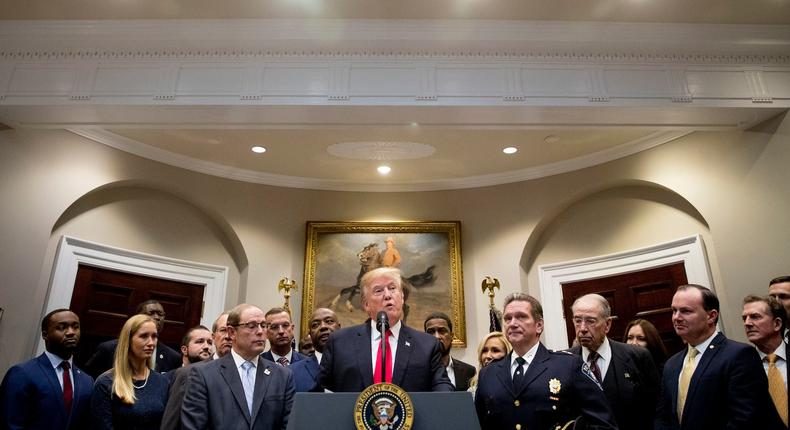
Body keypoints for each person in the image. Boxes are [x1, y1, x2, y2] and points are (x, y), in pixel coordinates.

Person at [475, 293, 617, 430]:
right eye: (507, 318)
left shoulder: (568, 366)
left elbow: (603, 424)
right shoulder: (488, 374)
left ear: (539, 325)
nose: (512, 323)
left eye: (521, 317)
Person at [655, 284, 782, 430]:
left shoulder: (738, 355)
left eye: (686, 311)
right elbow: (663, 416)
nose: (677, 317)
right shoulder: (672, 364)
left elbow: (745, 418)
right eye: (674, 310)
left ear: (711, 316)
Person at [320, 267, 453, 392]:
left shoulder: (427, 345)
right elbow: (321, 390)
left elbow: (442, 387)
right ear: (366, 304)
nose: (387, 295)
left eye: (392, 288)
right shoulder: (339, 342)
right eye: (378, 291)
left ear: (401, 298)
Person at [181, 303, 294, 430]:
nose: (260, 332)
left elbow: (289, 424)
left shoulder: (282, 376)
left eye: (263, 325)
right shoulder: (203, 375)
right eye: (252, 326)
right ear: (232, 332)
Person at [569, 294, 660, 430]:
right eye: (577, 321)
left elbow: (656, 407)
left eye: (590, 321)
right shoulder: (565, 360)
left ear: (607, 324)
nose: (582, 328)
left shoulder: (637, 356)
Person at [0, 309, 93, 430]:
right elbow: (10, 424)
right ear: (45, 334)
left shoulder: (87, 381)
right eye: (61, 327)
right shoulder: (22, 373)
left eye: (76, 327)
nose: (71, 332)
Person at [90, 314, 171, 430]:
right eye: (144, 336)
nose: (151, 343)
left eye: (154, 336)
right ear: (128, 339)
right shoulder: (107, 382)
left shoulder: (162, 381)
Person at [85, 300, 181, 377]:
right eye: (151, 313)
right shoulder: (108, 349)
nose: (156, 317)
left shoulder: (173, 357)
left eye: (160, 314)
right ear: (137, 316)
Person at [741, 295, 789, 427]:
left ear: (777, 324)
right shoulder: (741, 365)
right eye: (744, 318)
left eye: (755, 317)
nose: (747, 323)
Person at [160, 325, 215, 430]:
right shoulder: (166, 378)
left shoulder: (215, 377)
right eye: (199, 341)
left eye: (210, 342)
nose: (206, 346)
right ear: (184, 350)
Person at [290, 308, 341, 392]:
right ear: (310, 334)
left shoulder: (357, 365)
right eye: (315, 325)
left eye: (329, 321)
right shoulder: (291, 372)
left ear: (339, 327)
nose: (323, 327)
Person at [424, 311, 476, 391]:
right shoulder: (418, 370)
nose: (437, 337)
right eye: (431, 332)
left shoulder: (469, 371)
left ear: (451, 336)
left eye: (442, 331)